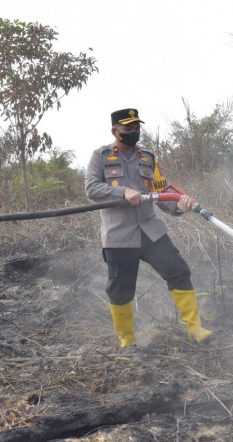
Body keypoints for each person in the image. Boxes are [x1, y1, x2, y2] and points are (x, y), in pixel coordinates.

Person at [85, 108, 212, 348]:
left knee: (179, 270)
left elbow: (161, 191)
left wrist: (179, 205)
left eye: (137, 127)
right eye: (128, 128)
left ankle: (195, 328)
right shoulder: (100, 156)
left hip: (150, 231)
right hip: (118, 235)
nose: (134, 131)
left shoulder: (148, 158)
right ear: (115, 131)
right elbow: (92, 188)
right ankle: (127, 340)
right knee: (120, 290)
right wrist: (123, 191)